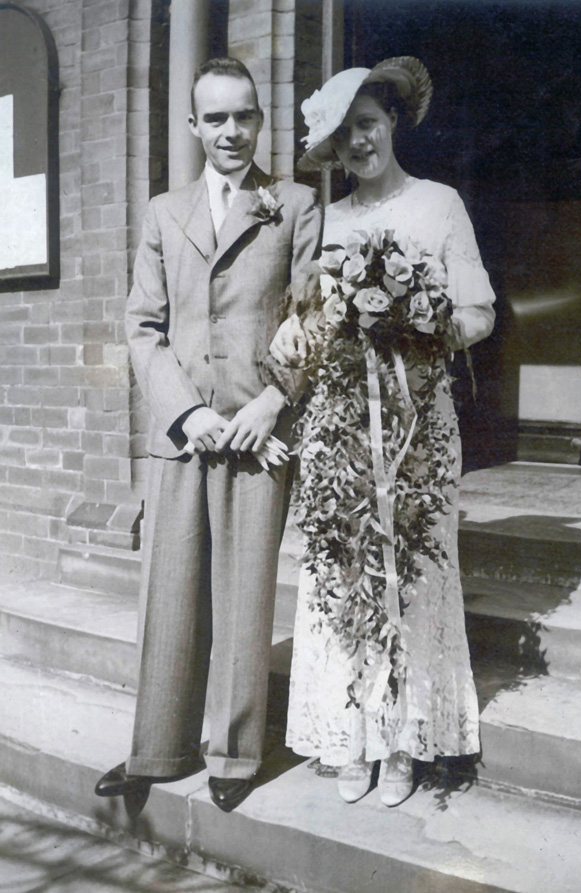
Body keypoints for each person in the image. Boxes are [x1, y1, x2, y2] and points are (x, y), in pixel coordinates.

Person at [94, 57, 322, 813]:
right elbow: (143, 326)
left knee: (244, 595)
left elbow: (313, 319)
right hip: (184, 432)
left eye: (243, 115)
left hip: (257, 436)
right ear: (194, 125)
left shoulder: (294, 205)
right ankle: (158, 748)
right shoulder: (165, 213)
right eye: (215, 117)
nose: (231, 130)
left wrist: (273, 402)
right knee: (170, 595)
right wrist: (187, 413)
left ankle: (233, 751)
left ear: (260, 120)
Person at [269, 58, 495, 807]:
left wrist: (419, 321)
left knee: (412, 569)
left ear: (392, 121)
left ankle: (401, 738)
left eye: (366, 124)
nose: (357, 144)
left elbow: (479, 313)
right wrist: (299, 334)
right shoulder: (325, 221)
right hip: (341, 428)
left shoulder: (439, 205)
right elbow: (307, 318)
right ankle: (351, 735)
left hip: (416, 421)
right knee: (344, 567)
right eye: (342, 137)